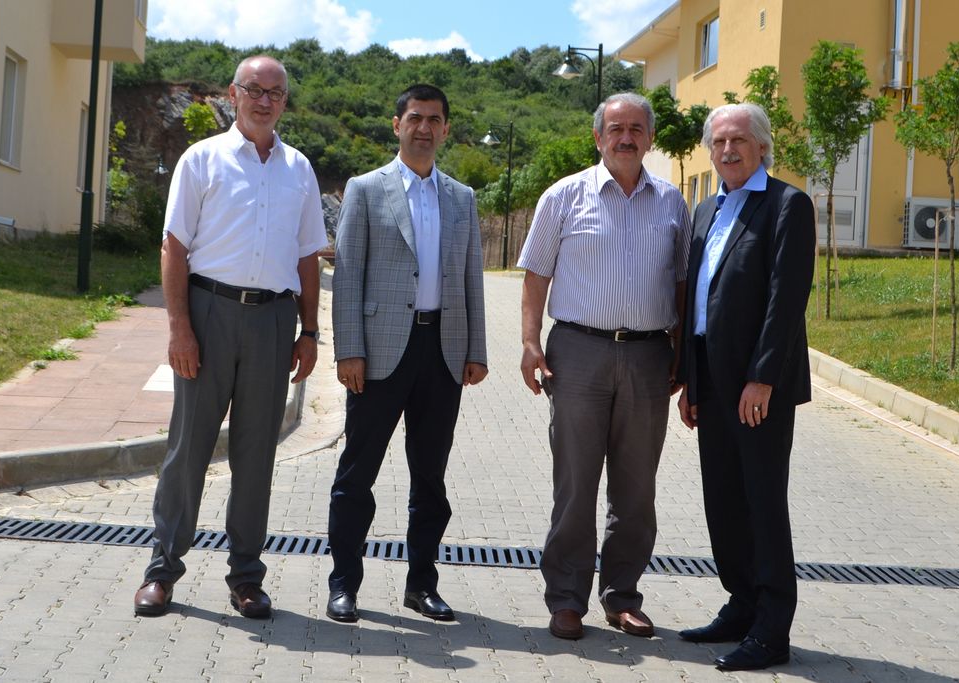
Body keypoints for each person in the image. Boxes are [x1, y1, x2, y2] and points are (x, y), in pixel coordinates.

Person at [133, 55, 326, 619]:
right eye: (254, 90)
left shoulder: (299, 170)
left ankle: (246, 577)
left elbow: (308, 254)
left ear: (285, 101)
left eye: (276, 92)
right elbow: (174, 247)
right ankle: (162, 570)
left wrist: (309, 330)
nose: (265, 100)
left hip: (272, 321)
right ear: (233, 95)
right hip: (209, 313)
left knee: (255, 454)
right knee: (187, 449)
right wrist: (179, 329)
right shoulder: (203, 159)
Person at [518, 92, 690, 640]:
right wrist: (529, 341)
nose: (626, 137)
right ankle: (566, 598)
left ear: (650, 138)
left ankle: (622, 595)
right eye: (615, 128)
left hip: (647, 355)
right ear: (598, 136)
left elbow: (683, 287)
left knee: (636, 489)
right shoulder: (563, 196)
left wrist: (681, 356)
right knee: (575, 483)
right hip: (578, 351)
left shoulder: (672, 203)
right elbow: (536, 276)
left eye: (636, 128)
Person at [326, 83, 487, 623]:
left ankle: (422, 585)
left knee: (430, 481)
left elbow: (471, 281)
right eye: (414, 118)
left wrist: (477, 350)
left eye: (434, 119)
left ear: (445, 129)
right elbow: (347, 274)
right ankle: (344, 584)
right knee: (357, 475)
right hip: (377, 353)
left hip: (441, 351)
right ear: (396, 125)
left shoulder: (461, 198)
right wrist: (349, 349)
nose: (424, 127)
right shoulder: (365, 190)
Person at [675, 103, 815, 671]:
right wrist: (689, 376)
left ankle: (772, 627)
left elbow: (786, 301)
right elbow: (696, 297)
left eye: (739, 140)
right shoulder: (707, 208)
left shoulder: (787, 205)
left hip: (759, 384)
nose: (727, 150)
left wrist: (762, 378)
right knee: (723, 501)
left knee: (761, 500)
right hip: (710, 375)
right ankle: (740, 603)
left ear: (761, 146)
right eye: (719, 142)